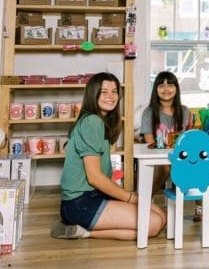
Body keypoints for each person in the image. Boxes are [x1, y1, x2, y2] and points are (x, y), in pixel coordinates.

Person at [51, 72, 166, 240]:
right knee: (154, 223)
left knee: (161, 215)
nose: (111, 97)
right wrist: (130, 197)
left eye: (114, 92)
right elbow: (94, 177)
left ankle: (82, 229)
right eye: (104, 92)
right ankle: (84, 231)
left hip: (91, 198)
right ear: (93, 94)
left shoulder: (99, 121)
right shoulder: (92, 122)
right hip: (80, 204)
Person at [140, 71, 201, 219]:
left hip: (181, 155)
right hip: (158, 155)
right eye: (161, 85)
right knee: (166, 167)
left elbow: (188, 137)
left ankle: (200, 206)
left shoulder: (185, 111)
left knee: (197, 165)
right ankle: (146, 199)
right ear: (156, 90)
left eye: (170, 85)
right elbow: (149, 140)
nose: (166, 89)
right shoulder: (149, 112)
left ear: (176, 89)